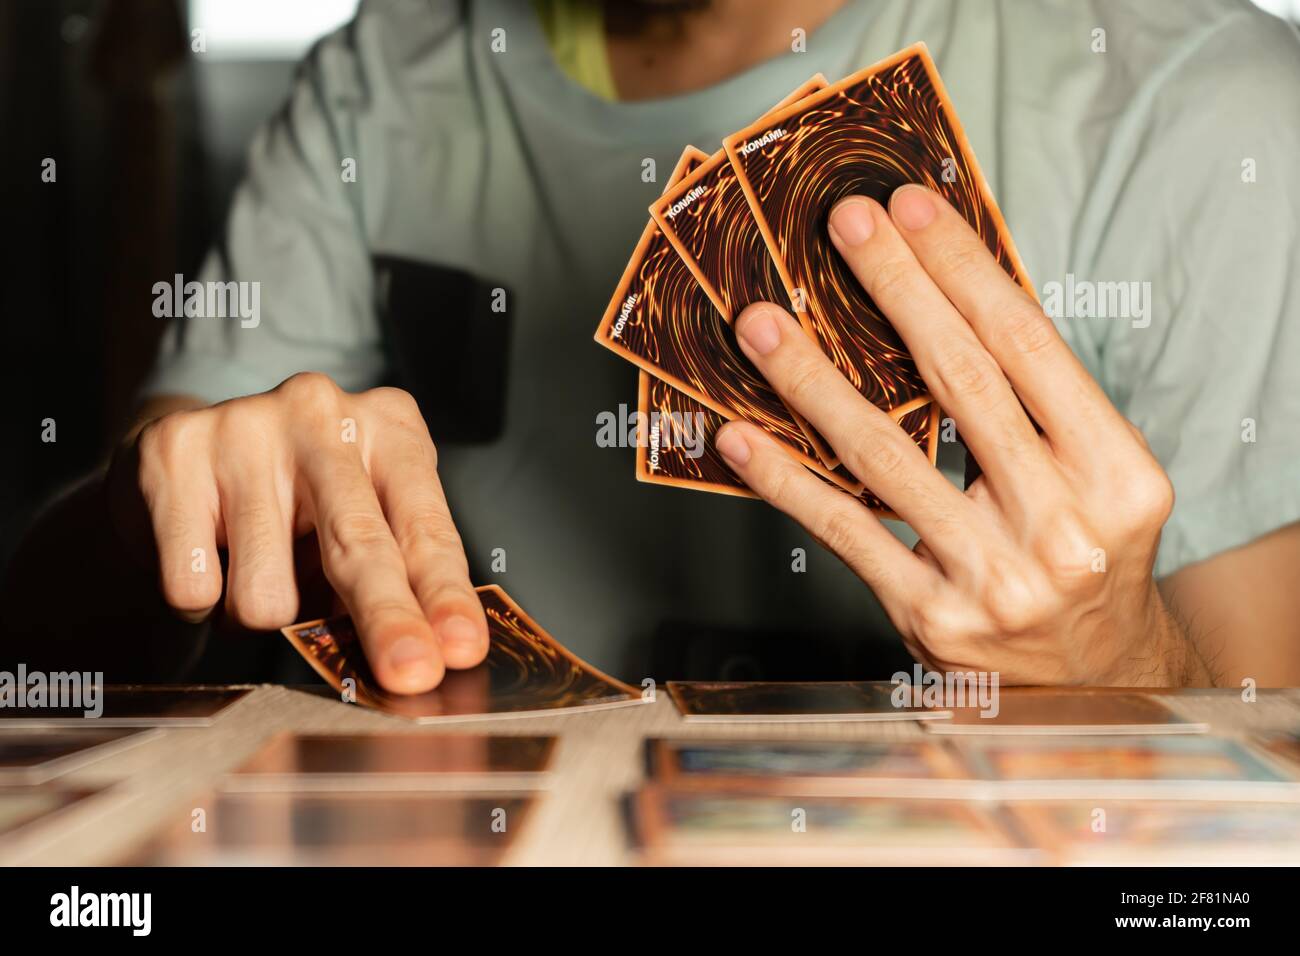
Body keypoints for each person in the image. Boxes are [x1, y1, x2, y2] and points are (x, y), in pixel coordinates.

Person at [5, 0, 1299, 691]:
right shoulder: (378, 74)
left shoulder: (1207, 107)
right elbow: (54, 634)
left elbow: (1248, 815)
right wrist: (148, 510)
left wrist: (1122, 672)